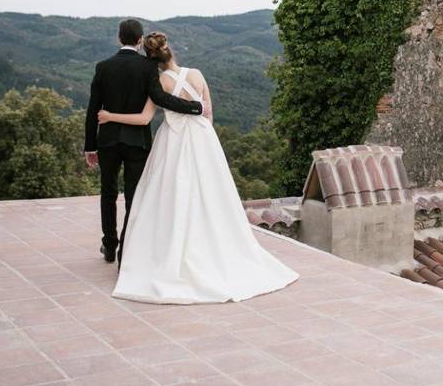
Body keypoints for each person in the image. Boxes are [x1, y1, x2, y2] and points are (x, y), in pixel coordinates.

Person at [97, 31, 298, 303]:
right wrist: (204, 141)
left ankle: (173, 250)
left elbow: (144, 119)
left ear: (150, 56)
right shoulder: (197, 74)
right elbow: (208, 113)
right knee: (212, 194)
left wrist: (109, 116)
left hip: (173, 144)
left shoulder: (158, 82)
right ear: (170, 50)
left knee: (172, 195)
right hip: (204, 140)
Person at [85, 19, 205, 265]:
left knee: (107, 193)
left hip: (107, 140)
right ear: (140, 41)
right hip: (136, 142)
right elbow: (160, 98)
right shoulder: (147, 67)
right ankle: (125, 249)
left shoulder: (102, 67)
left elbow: (92, 110)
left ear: (119, 38)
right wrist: (194, 108)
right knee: (133, 196)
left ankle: (109, 245)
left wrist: (90, 146)